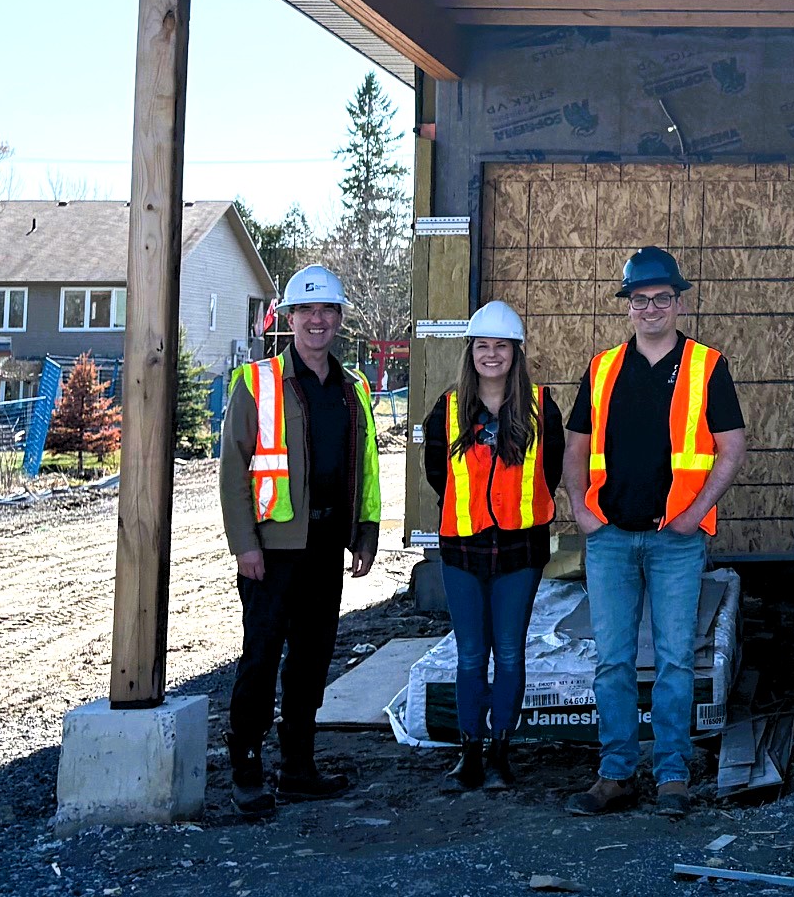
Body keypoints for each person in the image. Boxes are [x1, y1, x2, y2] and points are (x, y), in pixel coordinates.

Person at [560, 246, 747, 818]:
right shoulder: (602, 369)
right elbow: (574, 448)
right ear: (629, 307)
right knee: (612, 660)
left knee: (672, 659)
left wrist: (695, 513)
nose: (650, 309)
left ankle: (672, 775)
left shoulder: (706, 366)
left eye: (660, 299)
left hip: (676, 540)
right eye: (639, 300)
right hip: (611, 537)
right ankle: (615, 774)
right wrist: (580, 510)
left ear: (678, 302)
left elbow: (733, 447)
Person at [218, 263, 380, 801]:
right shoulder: (256, 383)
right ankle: (246, 767)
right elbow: (233, 472)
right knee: (261, 658)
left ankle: (297, 768)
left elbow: (366, 467)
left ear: (338, 320)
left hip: (326, 547)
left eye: (326, 310)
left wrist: (365, 531)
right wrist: (245, 544)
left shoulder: (352, 388)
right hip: (272, 551)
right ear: (289, 319)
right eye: (306, 310)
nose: (317, 320)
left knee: (311, 660)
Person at [419, 301, 561, 791]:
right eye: (483, 346)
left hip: (520, 552)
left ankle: (502, 752)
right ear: (471, 352)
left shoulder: (542, 408)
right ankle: (470, 754)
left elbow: (553, 470)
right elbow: (438, 472)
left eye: (502, 346)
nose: (492, 355)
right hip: (463, 550)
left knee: (512, 653)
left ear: (516, 353)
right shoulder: (448, 409)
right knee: (470, 656)